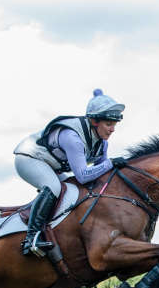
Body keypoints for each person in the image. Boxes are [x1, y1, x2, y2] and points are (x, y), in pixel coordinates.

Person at [13, 88, 127, 256]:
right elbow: (82, 176)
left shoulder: (102, 144)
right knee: (54, 187)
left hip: (52, 165)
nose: (112, 130)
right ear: (95, 122)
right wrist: (110, 163)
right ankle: (31, 239)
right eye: (109, 124)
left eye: (114, 125)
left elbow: (102, 175)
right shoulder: (73, 137)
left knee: (73, 192)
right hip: (29, 158)